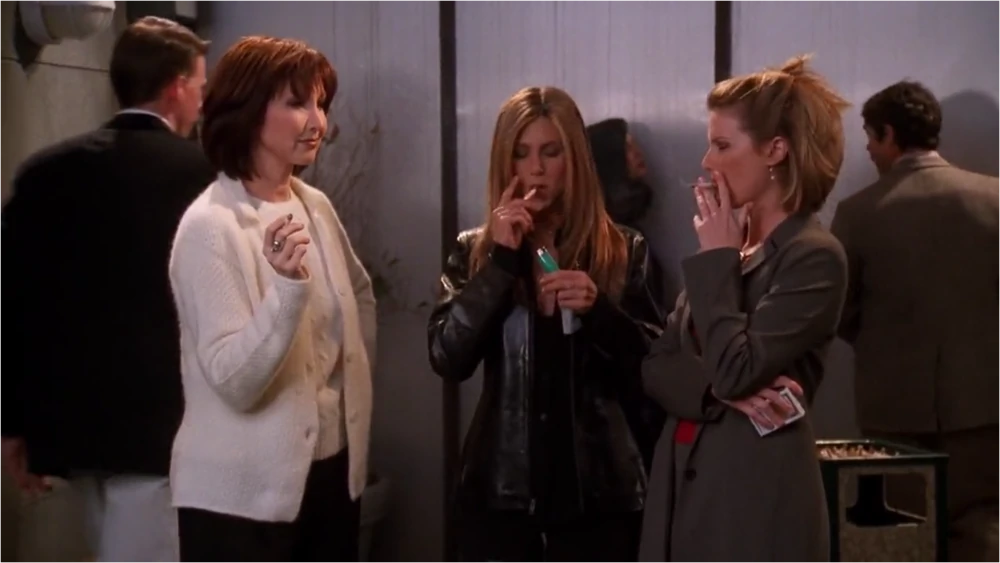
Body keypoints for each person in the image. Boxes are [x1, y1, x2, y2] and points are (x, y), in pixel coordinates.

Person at [0, 17, 212, 563]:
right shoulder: (205, 178)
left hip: (71, 425)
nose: (202, 101)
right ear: (177, 87)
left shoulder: (44, 173)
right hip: (166, 427)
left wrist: (13, 425)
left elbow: (12, 305)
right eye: (200, 85)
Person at [428, 86, 662, 563]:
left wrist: (599, 312)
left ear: (574, 158)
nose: (535, 169)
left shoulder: (623, 249)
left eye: (551, 152)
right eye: (522, 153)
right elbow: (447, 357)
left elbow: (656, 369)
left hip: (599, 496)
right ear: (505, 162)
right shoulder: (476, 250)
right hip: (502, 494)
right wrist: (500, 264)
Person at [166, 37, 376, 562]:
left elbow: (360, 298)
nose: (318, 122)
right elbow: (235, 380)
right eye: (297, 103)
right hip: (238, 504)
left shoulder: (314, 205)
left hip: (329, 479)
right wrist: (285, 291)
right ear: (248, 109)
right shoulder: (210, 225)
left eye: (321, 104)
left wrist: (346, 396)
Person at [638, 54, 850, 563]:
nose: (707, 162)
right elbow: (656, 366)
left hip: (753, 496)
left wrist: (717, 261)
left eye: (722, 145)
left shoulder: (812, 256)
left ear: (775, 150)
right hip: (681, 483)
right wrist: (715, 390)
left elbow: (736, 369)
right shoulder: (732, 247)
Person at [831, 80, 1000, 563]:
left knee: (901, 536)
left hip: (893, 411)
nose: (868, 149)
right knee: (984, 530)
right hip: (984, 405)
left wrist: (885, 345)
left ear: (888, 133)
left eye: (870, 136)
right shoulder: (995, 199)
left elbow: (840, 312)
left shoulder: (858, 213)